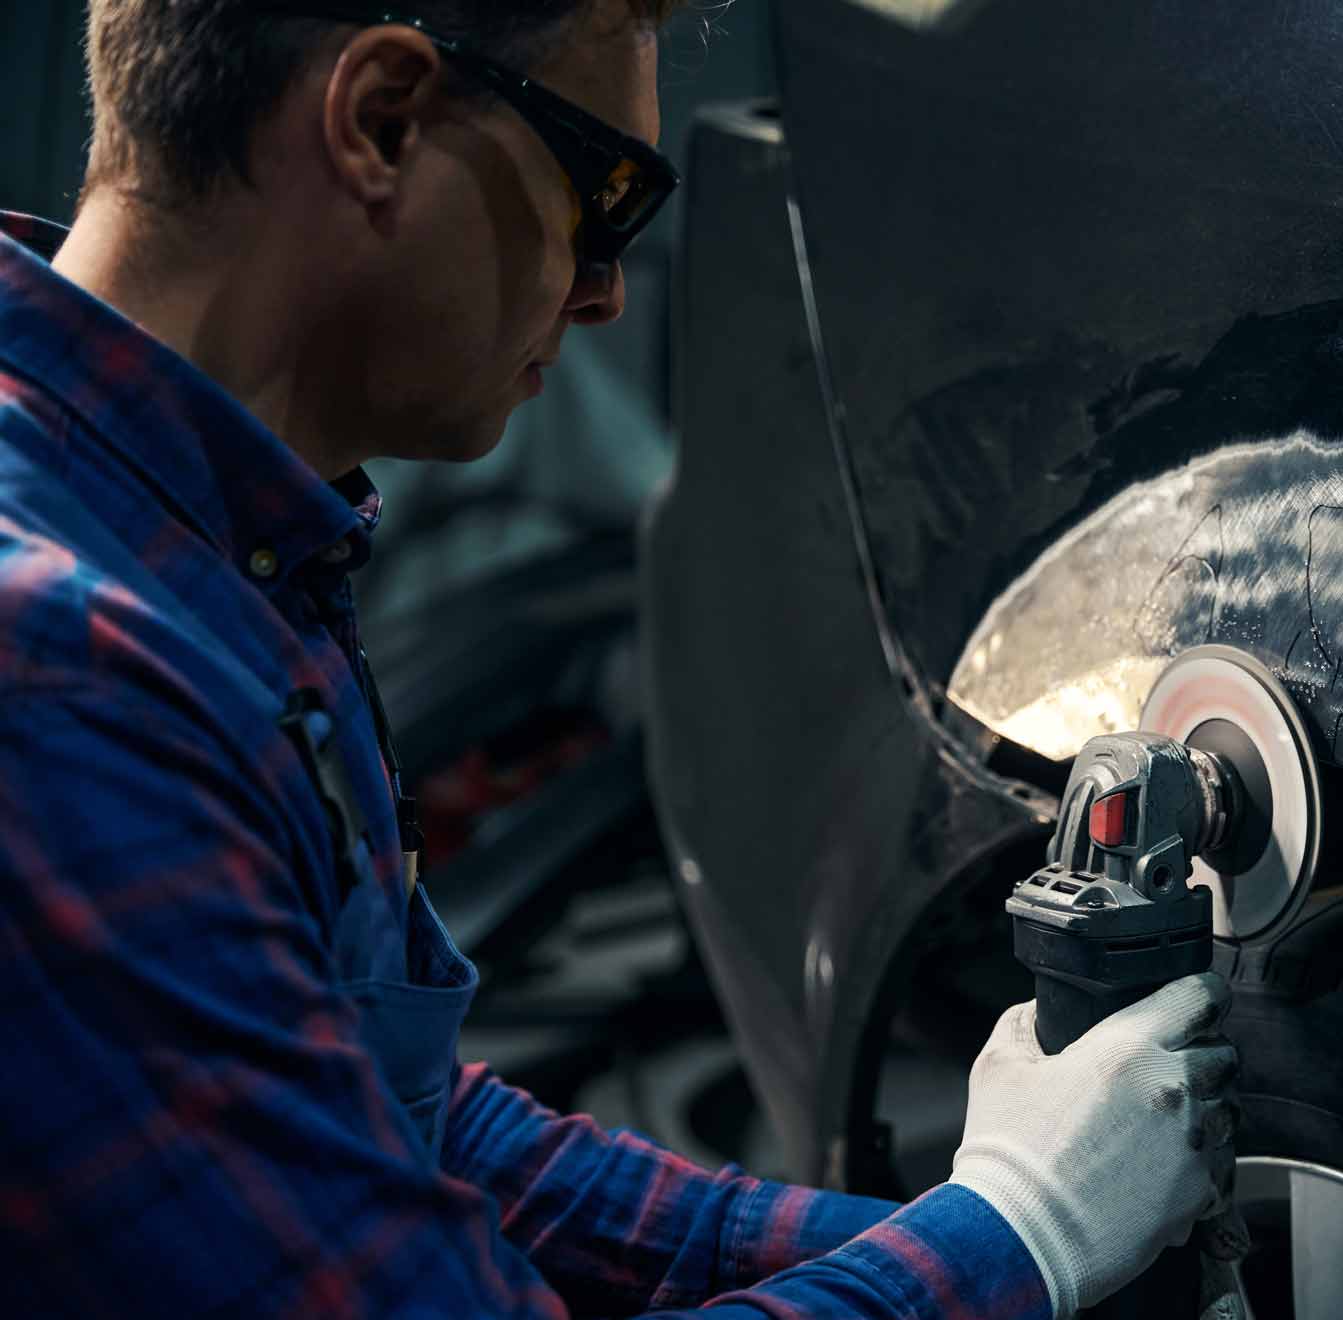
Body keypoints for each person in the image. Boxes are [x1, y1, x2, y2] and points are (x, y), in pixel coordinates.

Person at [0, 2, 1243, 1317]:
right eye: (606, 197)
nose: (603, 292)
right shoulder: (60, 686)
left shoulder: (200, 543)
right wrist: (1018, 1234)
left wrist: (938, 1227)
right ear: (380, 121)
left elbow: (396, 1127)